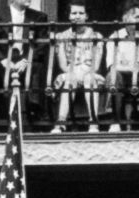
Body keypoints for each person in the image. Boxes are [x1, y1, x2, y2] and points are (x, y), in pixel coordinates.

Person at [105, 1, 139, 132]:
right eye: (137, 17)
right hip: (126, 79)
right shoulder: (115, 37)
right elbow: (112, 65)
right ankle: (116, 122)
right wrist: (131, 69)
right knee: (113, 76)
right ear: (126, 18)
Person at [52, 0, 103, 133]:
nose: (77, 16)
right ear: (69, 16)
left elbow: (95, 65)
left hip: (89, 72)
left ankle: (93, 123)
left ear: (86, 16)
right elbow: (63, 65)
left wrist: (81, 73)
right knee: (69, 78)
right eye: (74, 13)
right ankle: (61, 122)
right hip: (71, 72)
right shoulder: (61, 36)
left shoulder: (96, 36)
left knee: (89, 79)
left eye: (81, 13)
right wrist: (74, 74)